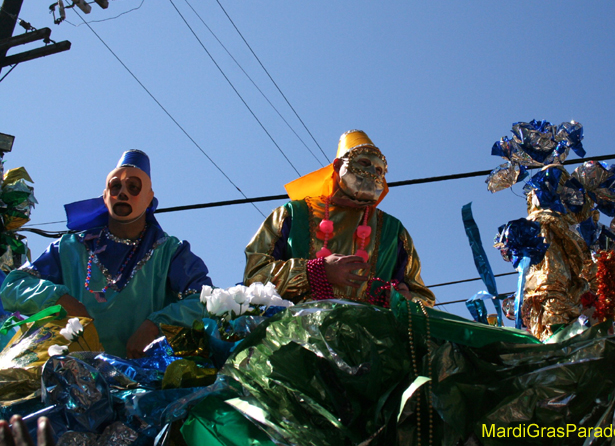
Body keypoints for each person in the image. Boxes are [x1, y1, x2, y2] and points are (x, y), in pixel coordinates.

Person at [0, 150, 212, 358]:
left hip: (144, 378)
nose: (122, 193)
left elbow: (205, 299)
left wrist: (155, 325)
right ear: (105, 196)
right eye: (115, 186)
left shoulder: (169, 252)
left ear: (149, 199)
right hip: (76, 376)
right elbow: (14, 285)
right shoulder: (70, 247)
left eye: (133, 187)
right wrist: (60, 298)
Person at [244, 130, 434, 306]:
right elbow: (255, 275)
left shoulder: (393, 230)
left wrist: (404, 300)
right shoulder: (293, 213)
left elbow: (422, 296)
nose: (372, 173)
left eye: (379, 170)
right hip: (300, 331)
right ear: (337, 165)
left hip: (374, 336)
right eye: (364, 163)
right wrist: (315, 271)